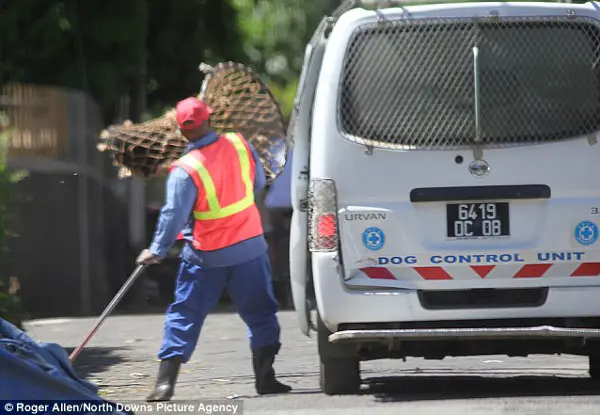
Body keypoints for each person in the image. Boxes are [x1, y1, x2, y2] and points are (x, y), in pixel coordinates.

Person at [136, 97, 292, 401]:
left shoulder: (185, 169)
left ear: (181, 131)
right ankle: (266, 378)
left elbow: (172, 215)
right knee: (261, 312)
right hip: (249, 247)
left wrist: (156, 249)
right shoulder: (239, 144)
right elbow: (259, 183)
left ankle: (165, 384)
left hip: (206, 255)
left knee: (185, 313)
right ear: (209, 119)